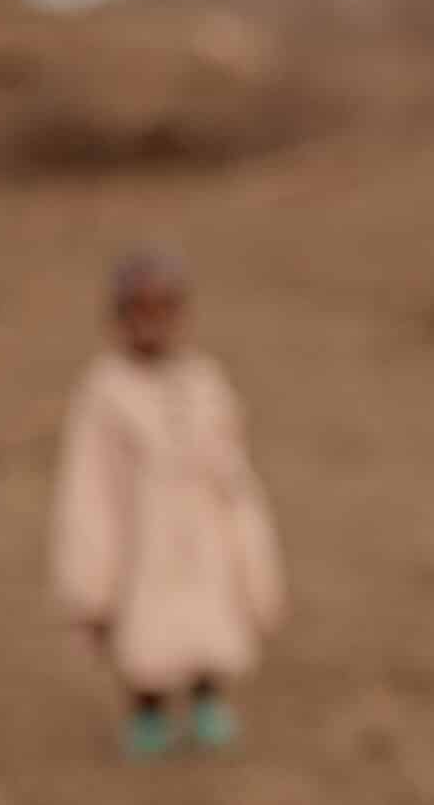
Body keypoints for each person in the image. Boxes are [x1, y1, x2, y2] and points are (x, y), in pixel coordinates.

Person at [51, 248, 283, 760]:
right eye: (140, 310)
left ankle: (207, 699)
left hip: (202, 532)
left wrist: (252, 551)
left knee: (210, 618)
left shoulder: (205, 384)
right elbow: (87, 492)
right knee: (146, 631)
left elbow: (234, 475)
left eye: (164, 309)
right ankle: (148, 710)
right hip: (143, 538)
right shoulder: (104, 393)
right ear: (117, 318)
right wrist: (91, 581)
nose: (152, 324)